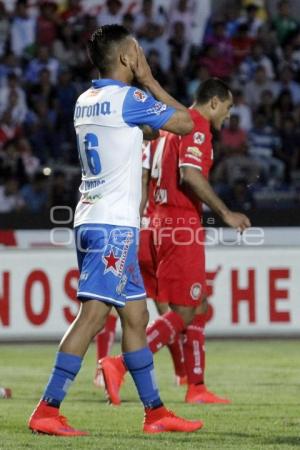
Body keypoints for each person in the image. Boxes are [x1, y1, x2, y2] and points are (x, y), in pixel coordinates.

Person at [28, 24, 203, 436]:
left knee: (137, 315)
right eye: (137, 51)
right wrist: (149, 79)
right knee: (92, 316)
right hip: (112, 225)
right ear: (127, 57)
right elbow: (187, 124)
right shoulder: (130, 98)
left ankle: (155, 413)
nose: (141, 56)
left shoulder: (85, 100)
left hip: (93, 216)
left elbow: (139, 133)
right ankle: (47, 409)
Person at [99, 78, 251, 406]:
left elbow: (147, 177)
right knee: (183, 312)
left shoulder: (169, 128)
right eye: (227, 108)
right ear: (213, 102)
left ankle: (195, 384)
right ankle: (119, 364)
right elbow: (190, 174)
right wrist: (226, 212)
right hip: (180, 223)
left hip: (156, 221)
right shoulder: (196, 126)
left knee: (195, 305)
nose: (227, 116)